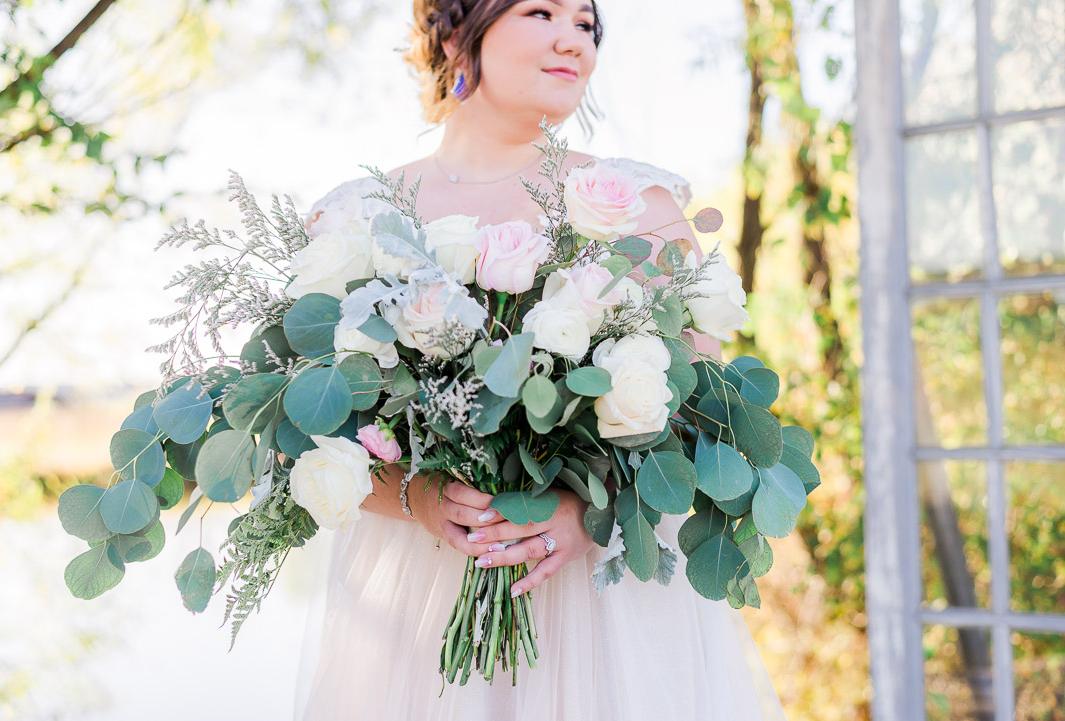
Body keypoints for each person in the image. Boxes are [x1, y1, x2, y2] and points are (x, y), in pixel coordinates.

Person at [294, 2, 787, 719]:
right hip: (417, 604)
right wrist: (418, 497)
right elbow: (310, 434)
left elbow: (701, 415)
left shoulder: (639, 208)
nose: (574, 41)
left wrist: (589, 512)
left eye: (587, 24)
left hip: (604, 606)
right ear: (458, 30)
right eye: (541, 11)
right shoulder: (356, 218)